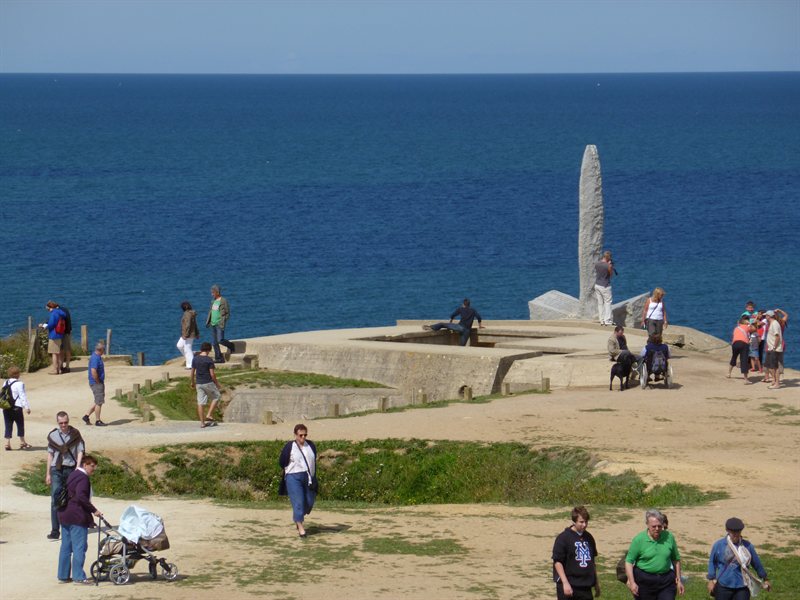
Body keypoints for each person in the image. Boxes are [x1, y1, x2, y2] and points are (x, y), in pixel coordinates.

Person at [57, 454, 104, 584]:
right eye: (92, 466)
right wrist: (94, 511)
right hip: (76, 515)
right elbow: (82, 497)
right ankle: (78, 576)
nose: (93, 469)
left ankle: (63, 575)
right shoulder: (83, 478)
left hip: (64, 514)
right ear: (85, 464)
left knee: (66, 547)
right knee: (79, 547)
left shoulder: (73, 474)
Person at [625, 509, 684, 599]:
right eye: (654, 526)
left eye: (659, 526)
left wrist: (679, 580)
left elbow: (676, 559)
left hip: (666, 581)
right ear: (647, 525)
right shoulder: (639, 540)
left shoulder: (669, 537)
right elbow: (629, 561)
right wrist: (632, 582)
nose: (657, 529)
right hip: (644, 581)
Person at [707, 517, 770, 599]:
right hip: (723, 586)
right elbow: (712, 562)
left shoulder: (747, 546)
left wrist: (765, 578)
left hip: (742, 587)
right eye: (733, 532)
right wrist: (711, 580)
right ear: (727, 530)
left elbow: (756, 563)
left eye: (738, 532)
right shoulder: (718, 545)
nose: (736, 535)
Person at [46, 411, 85, 541]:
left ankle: (68, 526)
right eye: (61, 423)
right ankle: (55, 530)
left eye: (65, 422)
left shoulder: (75, 434)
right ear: (58, 423)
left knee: (70, 499)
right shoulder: (53, 435)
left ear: (68, 421)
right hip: (56, 469)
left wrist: (78, 467)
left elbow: (80, 450)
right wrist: (48, 474)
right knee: (55, 498)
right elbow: (50, 455)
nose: (63, 425)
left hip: (70, 469)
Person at [552, 506, 601, 600]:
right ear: (574, 521)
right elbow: (558, 562)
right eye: (581, 522)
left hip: (585, 586)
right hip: (569, 585)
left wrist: (596, 583)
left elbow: (592, 562)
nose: (584, 525)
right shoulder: (563, 538)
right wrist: (565, 583)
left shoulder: (589, 538)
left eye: (586, 521)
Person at [278, 423, 317, 538]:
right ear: (295, 435)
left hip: (308, 477)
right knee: (298, 503)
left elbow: (313, 460)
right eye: (300, 435)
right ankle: (300, 527)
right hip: (293, 477)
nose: (303, 437)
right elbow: (282, 462)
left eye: (305, 435)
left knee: (309, 502)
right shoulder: (289, 446)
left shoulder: (310, 445)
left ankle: (298, 517)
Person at [191, 342, 221, 427]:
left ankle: (202, 423)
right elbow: (212, 374)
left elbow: (192, 372)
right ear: (209, 350)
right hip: (208, 382)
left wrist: (192, 382)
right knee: (217, 396)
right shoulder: (209, 360)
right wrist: (217, 383)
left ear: (201, 349)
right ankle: (209, 414)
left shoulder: (195, 359)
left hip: (199, 383)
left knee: (200, 403)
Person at [3, 366, 32, 450]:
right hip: (16, 407)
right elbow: (22, 396)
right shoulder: (20, 383)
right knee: (20, 424)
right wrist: (27, 407)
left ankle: (7, 443)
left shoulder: (5, 383)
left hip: (6, 407)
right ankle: (22, 442)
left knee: (8, 425)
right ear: (17, 374)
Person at [206, 284, 234, 363]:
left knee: (220, 340)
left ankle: (230, 345)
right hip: (213, 324)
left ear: (217, 292)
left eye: (213, 292)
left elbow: (227, 313)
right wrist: (209, 321)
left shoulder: (223, 301)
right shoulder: (213, 301)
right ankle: (219, 358)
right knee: (214, 343)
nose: (212, 294)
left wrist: (223, 320)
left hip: (219, 323)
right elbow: (211, 312)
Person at [82, 342, 107, 426]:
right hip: (96, 383)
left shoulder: (96, 357)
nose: (104, 352)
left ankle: (86, 416)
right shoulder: (95, 358)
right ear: (100, 350)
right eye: (103, 350)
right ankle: (97, 420)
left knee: (97, 401)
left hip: (97, 382)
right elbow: (93, 371)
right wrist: (98, 381)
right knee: (99, 402)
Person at [45, 300, 67, 375]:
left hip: (54, 335)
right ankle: (60, 369)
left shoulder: (53, 313)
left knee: (54, 353)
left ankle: (55, 370)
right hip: (59, 334)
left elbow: (51, 324)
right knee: (58, 352)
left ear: (50, 307)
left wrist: (44, 326)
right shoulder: (60, 313)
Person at [727, 317, 752, 384]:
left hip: (735, 344)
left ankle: (729, 373)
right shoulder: (747, 327)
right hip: (743, 344)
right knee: (744, 360)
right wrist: (749, 323)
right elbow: (753, 329)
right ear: (745, 322)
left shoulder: (736, 328)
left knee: (734, 357)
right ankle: (746, 379)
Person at [177, 301, 200, 370]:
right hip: (188, 333)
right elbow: (195, 324)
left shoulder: (187, 314)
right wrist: (197, 333)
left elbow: (188, 325)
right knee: (179, 345)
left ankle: (190, 365)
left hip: (188, 334)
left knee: (188, 348)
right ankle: (191, 357)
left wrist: (186, 335)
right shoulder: (190, 313)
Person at [763, 311, 782, 390]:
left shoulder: (774, 324)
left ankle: (777, 383)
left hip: (774, 349)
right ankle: (774, 380)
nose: (765, 317)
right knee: (769, 366)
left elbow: (777, 336)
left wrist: (774, 347)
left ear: (769, 316)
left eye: (766, 316)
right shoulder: (772, 323)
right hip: (770, 348)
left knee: (775, 367)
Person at [59, 303, 73, 373]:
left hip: (62, 333)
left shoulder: (58, 312)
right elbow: (69, 322)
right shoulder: (65, 310)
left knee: (63, 350)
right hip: (67, 332)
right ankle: (67, 366)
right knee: (67, 350)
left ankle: (62, 366)